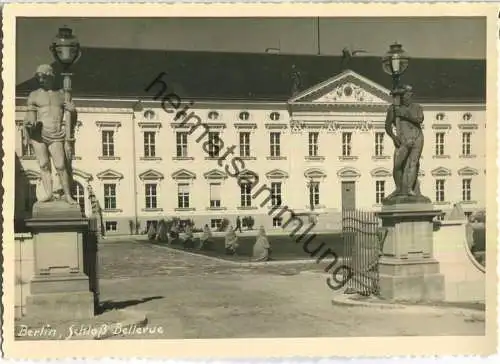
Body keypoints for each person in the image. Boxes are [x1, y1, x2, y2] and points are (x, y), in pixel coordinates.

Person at [23, 64, 78, 204]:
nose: (41, 80)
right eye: (39, 78)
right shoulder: (34, 95)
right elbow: (29, 116)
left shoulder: (61, 94)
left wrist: (73, 111)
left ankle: (67, 195)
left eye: (44, 77)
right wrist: (30, 124)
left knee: (61, 165)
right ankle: (49, 194)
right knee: (44, 164)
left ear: (51, 76)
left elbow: (72, 120)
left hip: (56, 134)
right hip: (38, 134)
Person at [384, 85, 425, 200]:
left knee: (413, 163)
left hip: (417, 137)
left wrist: (404, 114)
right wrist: (393, 137)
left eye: (406, 94)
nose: (404, 97)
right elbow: (387, 125)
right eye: (401, 95)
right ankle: (399, 188)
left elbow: (419, 119)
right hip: (402, 140)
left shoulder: (417, 107)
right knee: (397, 164)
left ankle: (409, 189)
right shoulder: (393, 108)